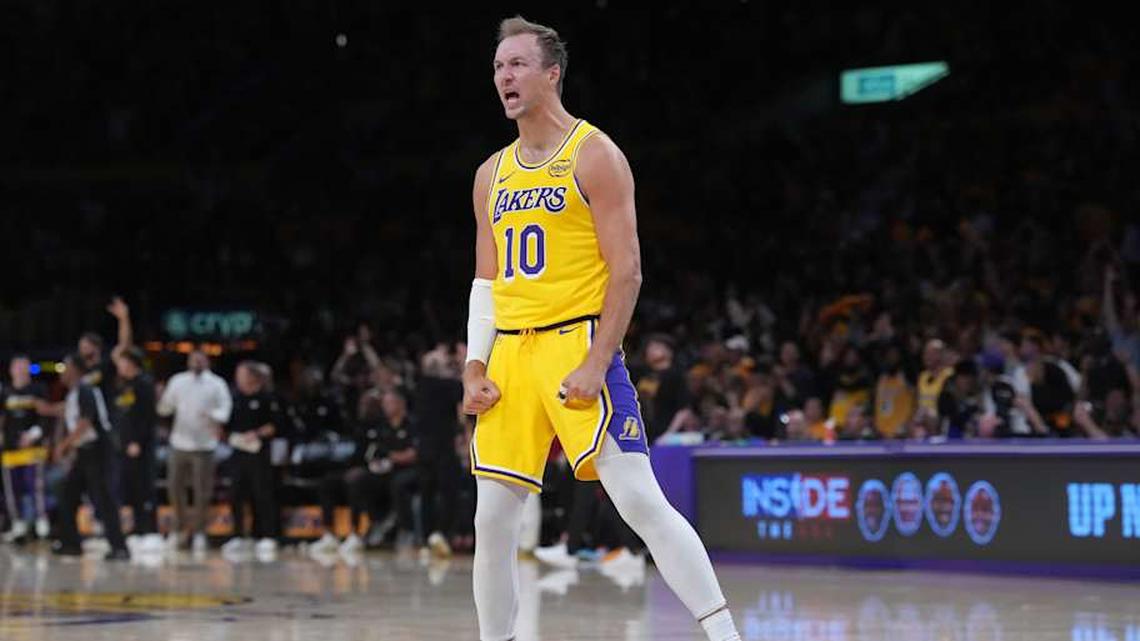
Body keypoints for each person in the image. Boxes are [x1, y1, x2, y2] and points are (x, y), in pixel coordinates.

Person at [462, 17, 739, 641]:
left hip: (575, 341)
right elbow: (487, 283)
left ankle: (724, 634)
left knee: (639, 500)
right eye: (498, 66)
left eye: (517, 65)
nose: (503, 76)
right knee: (493, 521)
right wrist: (475, 365)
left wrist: (596, 361)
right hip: (510, 354)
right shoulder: (490, 176)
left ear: (552, 73)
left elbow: (629, 272)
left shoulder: (595, 154)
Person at [52, 354, 129, 560]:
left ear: (76, 370)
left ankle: (119, 547)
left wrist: (63, 446)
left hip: (99, 450)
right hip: (85, 452)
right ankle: (71, 543)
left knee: (104, 499)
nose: (62, 372)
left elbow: (85, 423)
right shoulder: (74, 394)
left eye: (65, 367)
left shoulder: (85, 389)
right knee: (67, 494)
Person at [157, 350, 232, 552]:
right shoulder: (178, 381)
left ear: (207, 361)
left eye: (201, 358)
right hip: (179, 443)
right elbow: (165, 409)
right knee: (174, 487)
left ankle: (199, 532)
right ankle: (180, 529)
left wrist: (212, 415)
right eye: (193, 358)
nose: (196, 361)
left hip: (205, 446)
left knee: (202, 491)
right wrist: (160, 398)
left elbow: (225, 411)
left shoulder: (217, 384)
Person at [221, 361, 281, 557]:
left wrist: (257, 434)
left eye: (242, 374)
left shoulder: (266, 398)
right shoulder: (233, 398)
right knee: (235, 493)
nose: (239, 378)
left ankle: (266, 535)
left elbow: (275, 425)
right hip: (237, 452)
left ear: (253, 377)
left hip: (259, 452)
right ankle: (238, 535)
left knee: (262, 493)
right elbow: (224, 427)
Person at [112, 346, 159, 550]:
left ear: (132, 363)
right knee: (128, 488)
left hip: (141, 446)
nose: (119, 366)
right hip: (123, 445)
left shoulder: (144, 384)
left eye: (122, 361)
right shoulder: (123, 386)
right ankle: (134, 529)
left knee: (144, 487)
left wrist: (138, 442)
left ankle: (149, 530)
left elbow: (148, 418)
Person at [1, 355, 50, 542]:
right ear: (11, 370)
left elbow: (45, 416)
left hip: (32, 446)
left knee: (35, 486)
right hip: (10, 449)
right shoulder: (5, 391)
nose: (21, 371)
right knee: (13, 489)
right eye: (17, 367)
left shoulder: (38, 389)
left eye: (24, 367)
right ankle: (18, 524)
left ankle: (41, 522)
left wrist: (33, 434)